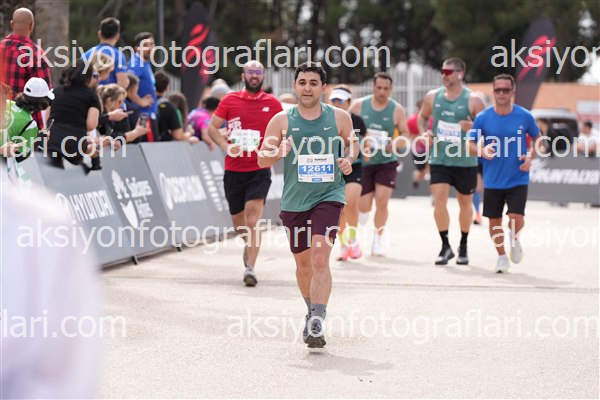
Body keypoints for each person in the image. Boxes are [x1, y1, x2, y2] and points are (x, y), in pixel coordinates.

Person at [258, 62, 357, 348]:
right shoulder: (281, 120)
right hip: (295, 201)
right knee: (303, 266)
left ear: (323, 88)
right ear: (295, 86)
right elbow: (262, 159)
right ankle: (310, 309)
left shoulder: (339, 117)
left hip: (329, 195)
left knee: (319, 258)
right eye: (302, 83)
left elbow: (352, 144)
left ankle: (317, 321)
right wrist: (278, 152)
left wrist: (348, 159)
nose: (307, 88)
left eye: (313, 83)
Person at [207, 61, 283, 286]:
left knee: (253, 218)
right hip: (234, 170)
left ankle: (250, 267)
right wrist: (225, 146)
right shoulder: (230, 100)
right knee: (239, 222)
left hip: (260, 169)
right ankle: (249, 246)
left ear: (263, 77)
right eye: (250, 72)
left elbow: (284, 131)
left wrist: (276, 149)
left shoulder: (273, 103)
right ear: (243, 76)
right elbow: (212, 128)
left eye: (258, 72)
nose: (254, 76)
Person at [468, 74, 540, 273]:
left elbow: (539, 139)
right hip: (493, 179)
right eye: (497, 90)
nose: (501, 93)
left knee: (516, 218)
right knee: (494, 222)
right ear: (493, 92)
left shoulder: (524, 116)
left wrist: (530, 156)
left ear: (512, 92)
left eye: (505, 90)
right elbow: (470, 145)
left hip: (518, 176)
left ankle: (514, 238)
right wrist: (481, 150)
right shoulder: (483, 118)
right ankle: (501, 257)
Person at [418, 57, 485, 265]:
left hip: (465, 161)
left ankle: (463, 245)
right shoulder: (432, 96)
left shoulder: (473, 100)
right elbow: (422, 117)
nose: (444, 75)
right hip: (439, 159)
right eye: (442, 71)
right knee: (439, 200)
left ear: (460, 74)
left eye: (448, 72)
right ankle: (445, 245)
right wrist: (424, 133)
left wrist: (473, 129)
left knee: (465, 204)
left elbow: (487, 129)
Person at [349, 72, 409, 256]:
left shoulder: (397, 109)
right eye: (379, 87)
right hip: (364, 163)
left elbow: (405, 134)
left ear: (391, 89)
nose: (382, 91)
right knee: (364, 207)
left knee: (382, 201)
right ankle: (362, 219)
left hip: (386, 161)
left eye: (386, 88)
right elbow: (347, 128)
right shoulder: (358, 106)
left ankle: (377, 240)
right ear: (373, 87)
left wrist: (396, 143)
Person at [328, 85, 368, 261]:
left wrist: (366, 149)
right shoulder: (325, 119)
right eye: (334, 100)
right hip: (333, 169)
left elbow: (365, 139)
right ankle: (344, 245)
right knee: (339, 210)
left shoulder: (357, 120)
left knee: (350, 203)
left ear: (349, 102)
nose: (337, 103)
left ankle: (352, 239)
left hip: (354, 166)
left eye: (341, 100)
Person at [0, 7, 52, 128]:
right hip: (25, 123)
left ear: (12, 24)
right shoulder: (36, 54)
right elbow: (45, 93)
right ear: (31, 26)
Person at [46, 62, 103, 167]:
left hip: (53, 141)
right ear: (88, 77)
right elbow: (91, 125)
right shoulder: (92, 96)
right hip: (75, 145)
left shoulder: (55, 92)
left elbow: (48, 119)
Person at [1, 77, 53, 161]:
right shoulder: (30, 124)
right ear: (43, 102)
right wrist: (40, 138)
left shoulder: (5, 103)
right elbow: (20, 157)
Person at [127, 32, 158, 142]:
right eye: (145, 45)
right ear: (137, 48)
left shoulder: (145, 63)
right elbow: (127, 86)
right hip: (143, 116)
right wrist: (141, 102)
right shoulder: (136, 64)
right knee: (151, 149)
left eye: (151, 44)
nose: (149, 48)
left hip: (148, 114)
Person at [84, 17, 129, 88]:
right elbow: (122, 84)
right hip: (109, 94)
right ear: (117, 36)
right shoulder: (118, 56)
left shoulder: (86, 54)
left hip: (88, 93)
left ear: (99, 34)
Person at [154, 71, 197, 143]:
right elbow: (178, 135)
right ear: (167, 88)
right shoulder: (169, 107)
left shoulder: (144, 102)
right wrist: (189, 133)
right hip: (161, 145)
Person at [406, 98, 432, 188]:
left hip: (432, 150)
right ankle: (417, 177)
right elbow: (407, 133)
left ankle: (434, 193)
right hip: (419, 150)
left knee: (432, 171)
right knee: (422, 173)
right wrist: (419, 138)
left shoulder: (432, 120)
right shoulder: (412, 120)